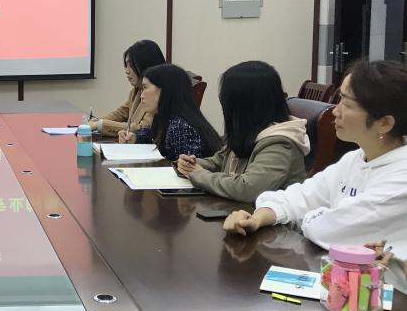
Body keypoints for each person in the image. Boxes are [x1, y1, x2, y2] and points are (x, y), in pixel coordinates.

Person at [224, 60, 407, 258]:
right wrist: (257, 218)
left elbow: (330, 231)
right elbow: (300, 196)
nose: (335, 111)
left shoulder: (401, 178)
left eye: (347, 104)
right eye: (339, 99)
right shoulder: (355, 159)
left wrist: (307, 216)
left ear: (384, 123)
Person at [177, 61, 310, 202]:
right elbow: (219, 162)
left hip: (266, 216)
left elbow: (246, 189)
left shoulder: (281, 143)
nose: (224, 107)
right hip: (239, 210)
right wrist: (191, 164)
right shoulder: (249, 129)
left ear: (244, 105)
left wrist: (198, 174)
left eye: (225, 100)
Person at [119, 63, 220, 160]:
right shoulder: (167, 118)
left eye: (145, 88)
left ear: (164, 90)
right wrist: (135, 137)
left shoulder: (180, 127)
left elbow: (185, 169)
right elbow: (151, 134)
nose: (141, 95)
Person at [89, 39, 165, 137]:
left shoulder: (158, 93)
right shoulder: (137, 89)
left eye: (131, 65)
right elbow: (121, 113)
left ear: (146, 65)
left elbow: (144, 129)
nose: (127, 71)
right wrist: (96, 121)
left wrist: (100, 124)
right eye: (126, 65)